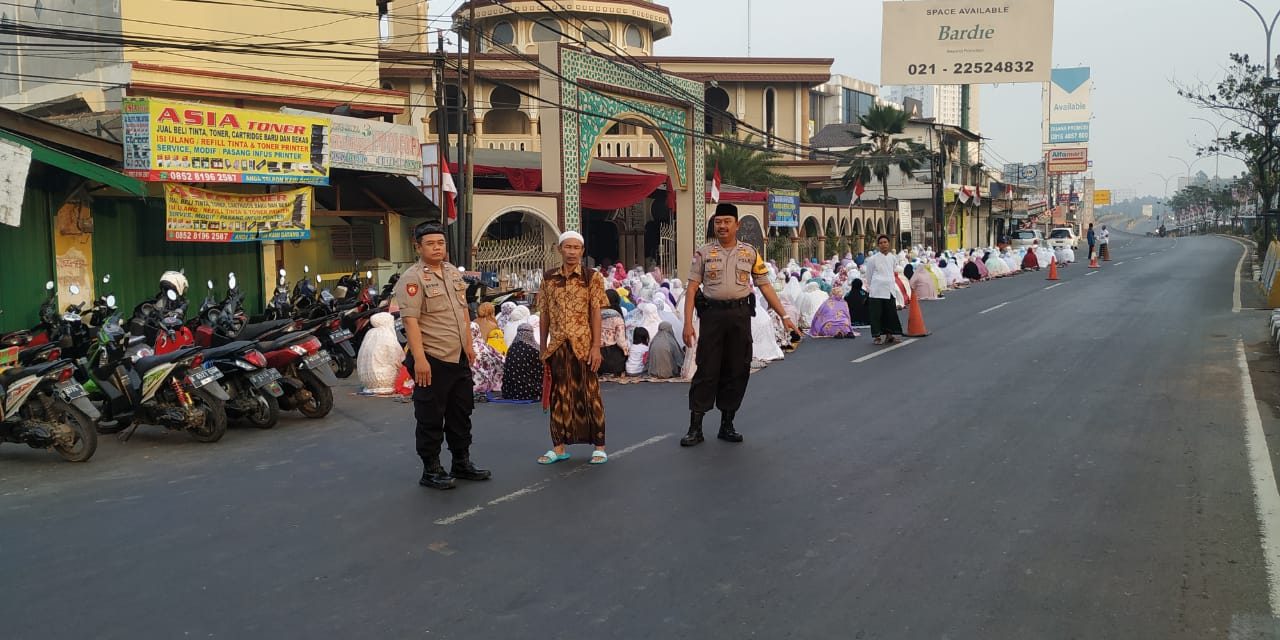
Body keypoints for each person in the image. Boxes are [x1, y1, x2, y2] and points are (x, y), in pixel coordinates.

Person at [681, 203, 798, 447]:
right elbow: (692, 288)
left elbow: (765, 285)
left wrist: (785, 317)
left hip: (739, 316)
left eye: (726, 222)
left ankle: (727, 423)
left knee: (737, 368)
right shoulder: (703, 253)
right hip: (712, 316)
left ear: (737, 225)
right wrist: (688, 324)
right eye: (718, 222)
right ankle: (695, 427)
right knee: (706, 369)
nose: (721, 226)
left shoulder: (750, 253)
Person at [395, 221, 490, 491]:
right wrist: (420, 359)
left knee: (461, 411)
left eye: (440, 243)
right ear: (418, 247)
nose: (437, 248)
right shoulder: (412, 279)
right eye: (430, 244)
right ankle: (432, 468)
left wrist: (469, 344)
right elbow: (410, 322)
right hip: (433, 357)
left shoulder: (451, 272)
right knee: (431, 414)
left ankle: (461, 461)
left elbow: (463, 311)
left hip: (458, 354)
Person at [538, 231, 611, 465]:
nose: (571, 252)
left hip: (583, 345)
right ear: (560, 249)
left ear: (582, 251)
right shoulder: (549, 278)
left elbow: (596, 312)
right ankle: (558, 447)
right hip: (558, 345)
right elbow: (545, 314)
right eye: (567, 247)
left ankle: (599, 446)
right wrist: (542, 347)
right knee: (558, 396)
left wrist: (596, 347)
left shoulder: (592, 277)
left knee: (589, 394)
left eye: (576, 248)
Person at [864, 234, 904, 345]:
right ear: (878, 245)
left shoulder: (892, 257)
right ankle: (877, 336)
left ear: (889, 243)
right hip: (877, 291)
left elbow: (892, 271)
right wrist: (872, 287)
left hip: (889, 289)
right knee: (876, 315)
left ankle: (889, 335)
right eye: (881, 243)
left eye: (885, 242)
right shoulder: (873, 259)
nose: (883, 245)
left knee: (890, 313)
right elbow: (869, 275)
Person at [500, 324, 541, 401]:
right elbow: (539, 372)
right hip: (530, 391)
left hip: (509, 391)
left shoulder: (511, 349)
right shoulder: (534, 350)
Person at [599, 307, 629, 376]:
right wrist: (626, 352)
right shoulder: (617, 317)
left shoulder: (596, 314)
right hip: (612, 356)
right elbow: (620, 341)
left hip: (598, 353)